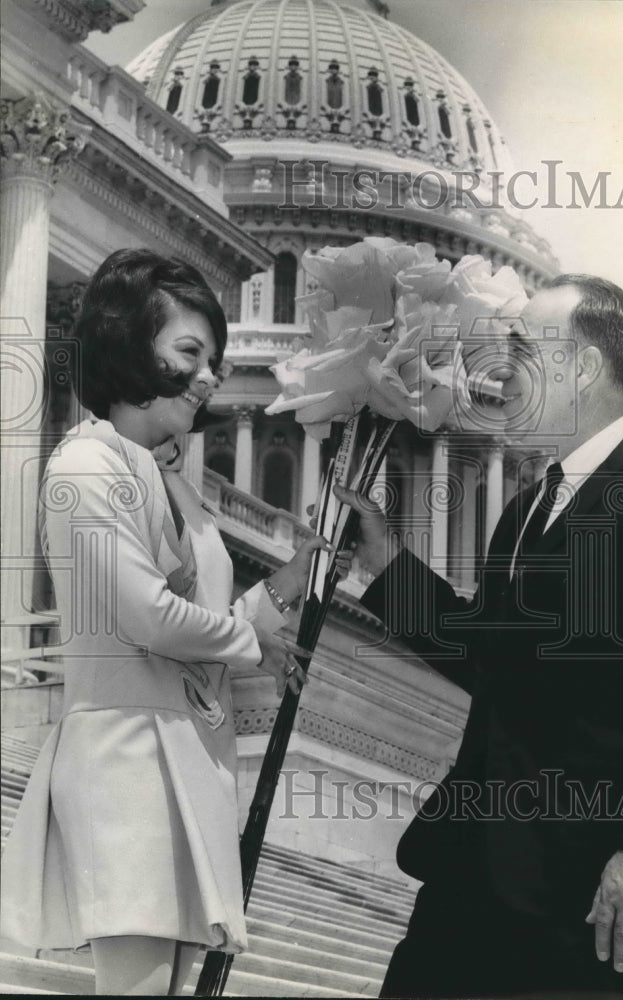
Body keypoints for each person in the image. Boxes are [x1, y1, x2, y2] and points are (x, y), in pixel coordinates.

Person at [336, 275, 623, 999]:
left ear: (583, 366)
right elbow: (494, 659)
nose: (501, 371)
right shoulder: (524, 512)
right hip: (470, 872)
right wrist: (387, 562)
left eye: (522, 350)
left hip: (590, 889)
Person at [0, 249, 352, 996]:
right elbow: (148, 618)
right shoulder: (83, 468)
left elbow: (202, 623)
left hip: (189, 758)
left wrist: (284, 588)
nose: (209, 375)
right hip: (125, 764)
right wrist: (253, 643)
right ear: (129, 345)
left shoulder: (170, 484)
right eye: (190, 353)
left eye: (214, 360)